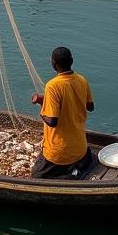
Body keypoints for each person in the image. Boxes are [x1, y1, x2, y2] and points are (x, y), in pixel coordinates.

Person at [30, 46, 95, 179]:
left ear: (53, 63)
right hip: (80, 148)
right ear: (72, 61)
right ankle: (79, 166)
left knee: (36, 175)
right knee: (86, 155)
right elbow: (90, 106)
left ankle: (70, 177)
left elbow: (52, 121)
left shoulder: (53, 85)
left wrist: (42, 111)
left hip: (59, 152)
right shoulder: (82, 80)